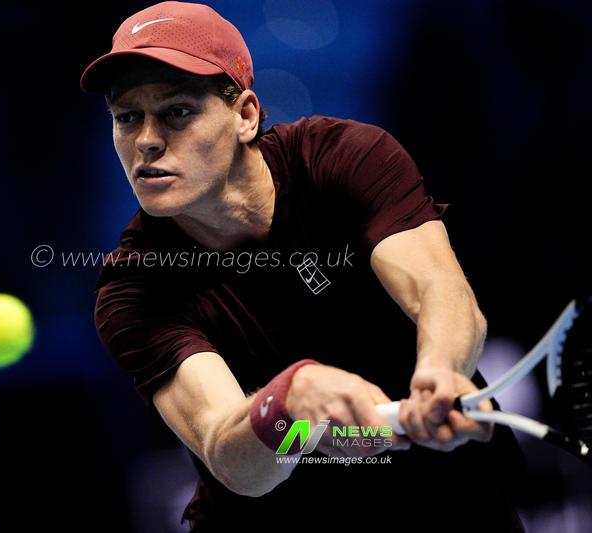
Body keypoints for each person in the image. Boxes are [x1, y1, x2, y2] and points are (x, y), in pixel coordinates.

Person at [81, 2, 528, 531]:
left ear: (246, 115)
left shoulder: (345, 158)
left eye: (177, 111)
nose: (147, 139)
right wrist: (286, 404)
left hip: (452, 497)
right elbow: (233, 459)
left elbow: (440, 292)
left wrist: (438, 373)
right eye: (127, 116)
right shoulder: (135, 288)